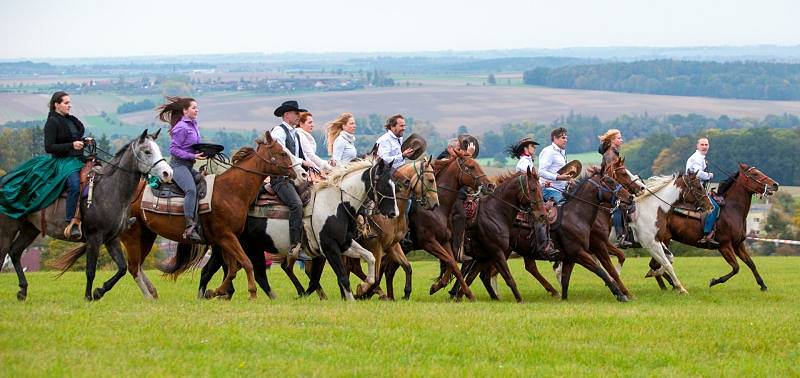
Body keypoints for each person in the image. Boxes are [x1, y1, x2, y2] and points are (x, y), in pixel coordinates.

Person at [0, 92, 86, 239]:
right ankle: (71, 222)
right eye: (66, 103)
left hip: (78, 159)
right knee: (74, 185)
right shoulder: (52, 122)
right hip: (62, 162)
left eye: (69, 102)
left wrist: (85, 141)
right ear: (56, 105)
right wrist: (72, 145)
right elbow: (49, 147)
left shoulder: (71, 120)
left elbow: (74, 137)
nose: (69, 105)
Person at [270, 100, 314, 256]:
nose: (298, 116)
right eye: (296, 113)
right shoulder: (278, 131)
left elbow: (297, 155)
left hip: (294, 177)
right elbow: (282, 154)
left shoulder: (294, 133)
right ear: (287, 114)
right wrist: (303, 162)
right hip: (281, 179)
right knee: (296, 204)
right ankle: (295, 246)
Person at [159, 97, 204, 243]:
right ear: (185, 111)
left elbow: (194, 145)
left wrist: (208, 151)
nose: (197, 110)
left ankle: (201, 221)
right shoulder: (181, 127)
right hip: (178, 165)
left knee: (203, 183)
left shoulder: (194, 125)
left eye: (197, 108)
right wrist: (192, 155)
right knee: (190, 190)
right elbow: (173, 149)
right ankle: (190, 226)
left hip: (189, 165)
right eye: (193, 108)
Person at [598, 129, 633, 248]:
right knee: (619, 205)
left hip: (611, 185)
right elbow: (609, 175)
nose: (621, 140)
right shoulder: (610, 154)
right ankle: (620, 237)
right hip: (606, 186)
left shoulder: (614, 152)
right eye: (619, 138)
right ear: (612, 140)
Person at [686, 137, 720, 247]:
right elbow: (697, 173)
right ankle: (707, 234)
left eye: (706, 145)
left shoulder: (700, 157)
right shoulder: (697, 158)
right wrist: (709, 175)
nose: (704, 147)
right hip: (695, 190)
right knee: (714, 207)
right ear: (697, 146)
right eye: (702, 145)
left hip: (699, 188)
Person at [538, 127, 573, 204]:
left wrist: (568, 180)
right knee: (565, 209)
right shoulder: (548, 151)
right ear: (555, 138)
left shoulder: (561, 152)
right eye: (563, 138)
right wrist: (558, 177)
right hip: (550, 190)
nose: (565, 140)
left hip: (561, 190)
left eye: (566, 138)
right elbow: (541, 172)